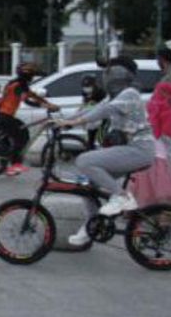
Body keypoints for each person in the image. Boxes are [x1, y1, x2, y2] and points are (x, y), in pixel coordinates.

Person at [55, 56, 155, 246]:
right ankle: (92, 225)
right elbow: (91, 109)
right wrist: (63, 121)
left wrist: (75, 123)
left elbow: (104, 111)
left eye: (109, 70)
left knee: (84, 161)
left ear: (121, 73)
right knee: (88, 186)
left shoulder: (130, 93)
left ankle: (122, 197)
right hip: (127, 148)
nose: (105, 74)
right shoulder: (115, 95)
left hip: (139, 149)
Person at [0, 62, 59, 177]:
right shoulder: (18, 85)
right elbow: (27, 99)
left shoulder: (18, 83)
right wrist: (45, 106)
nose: (32, 77)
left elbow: (33, 96)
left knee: (13, 138)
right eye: (32, 75)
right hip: (5, 115)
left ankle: (5, 164)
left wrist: (48, 103)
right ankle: (13, 165)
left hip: (4, 114)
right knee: (21, 138)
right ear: (26, 75)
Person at [79, 75, 107, 149]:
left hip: (102, 118)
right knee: (90, 140)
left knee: (101, 139)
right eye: (85, 86)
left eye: (89, 86)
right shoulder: (84, 92)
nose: (86, 88)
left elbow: (103, 107)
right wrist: (80, 111)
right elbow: (84, 104)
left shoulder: (101, 93)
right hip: (91, 120)